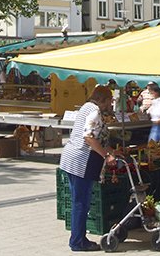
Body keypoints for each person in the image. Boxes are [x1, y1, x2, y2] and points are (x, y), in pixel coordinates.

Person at [58, 86, 117, 252]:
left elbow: (96, 137)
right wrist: (106, 156)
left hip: (71, 159)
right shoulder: (94, 111)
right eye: (109, 101)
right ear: (103, 100)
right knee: (81, 203)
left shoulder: (86, 107)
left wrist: (111, 150)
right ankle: (77, 241)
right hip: (80, 161)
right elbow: (89, 137)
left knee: (79, 202)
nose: (109, 105)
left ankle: (78, 238)